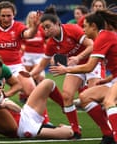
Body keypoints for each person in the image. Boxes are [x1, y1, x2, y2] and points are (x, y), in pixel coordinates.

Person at [26, 6, 105, 139]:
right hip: (75, 67)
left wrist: (78, 58)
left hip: (92, 62)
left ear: (58, 24)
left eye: (48, 26)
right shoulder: (51, 43)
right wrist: (29, 75)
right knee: (67, 96)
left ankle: (108, 127)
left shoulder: (71, 29)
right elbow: (42, 65)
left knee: (96, 97)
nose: (46, 30)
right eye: (43, 28)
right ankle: (76, 131)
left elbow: (92, 45)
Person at [49, 9, 117, 144]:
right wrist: (108, 79)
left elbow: (89, 67)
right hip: (114, 79)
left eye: (85, 26)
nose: (83, 29)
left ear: (93, 26)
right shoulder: (102, 37)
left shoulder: (103, 37)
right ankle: (108, 134)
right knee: (85, 97)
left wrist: (66, 69)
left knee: (109, 102)